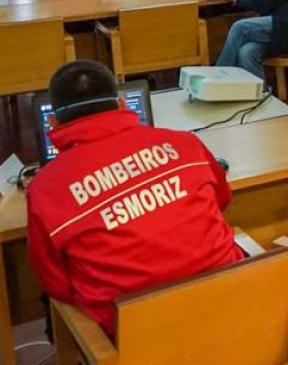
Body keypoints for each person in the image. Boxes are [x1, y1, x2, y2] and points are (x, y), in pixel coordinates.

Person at [26, 60, 244, 336]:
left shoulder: (45, 188)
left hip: (137, 341)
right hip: (233, 311)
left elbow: (55, 281)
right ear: (122, 105)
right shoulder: (185, 144)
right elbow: (222, 199)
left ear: (53, 122)